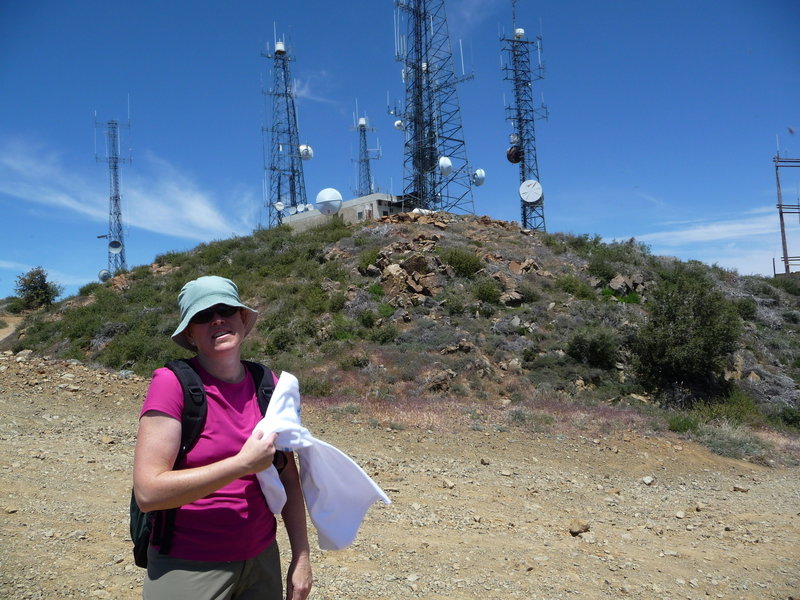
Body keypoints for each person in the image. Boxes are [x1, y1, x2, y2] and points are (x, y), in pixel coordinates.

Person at [133, 275, 312, 600]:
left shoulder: (268, 384)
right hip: (188, 567)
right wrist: (241, 464)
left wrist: (301, 557)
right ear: (190, 332)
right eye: (203, 315)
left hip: (261, 561)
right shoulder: (171, 384)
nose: (217, 319)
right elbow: (148, 491)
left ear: (242, 318)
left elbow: (287, 474)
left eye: (227, 309)